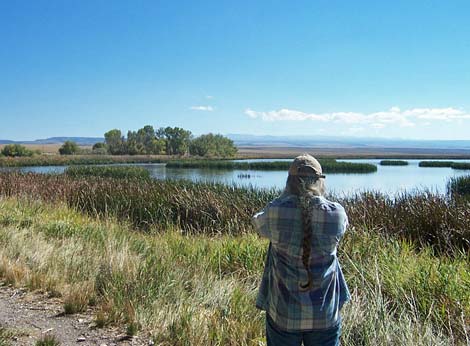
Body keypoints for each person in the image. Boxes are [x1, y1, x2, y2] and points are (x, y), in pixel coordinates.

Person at [252, 154, 350, 346]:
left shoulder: (275, 211)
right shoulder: (336, 213)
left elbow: (257, 223)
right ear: (319, 181)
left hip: (284, 315)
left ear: (290, 181)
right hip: (325, 314)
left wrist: (284, 198)